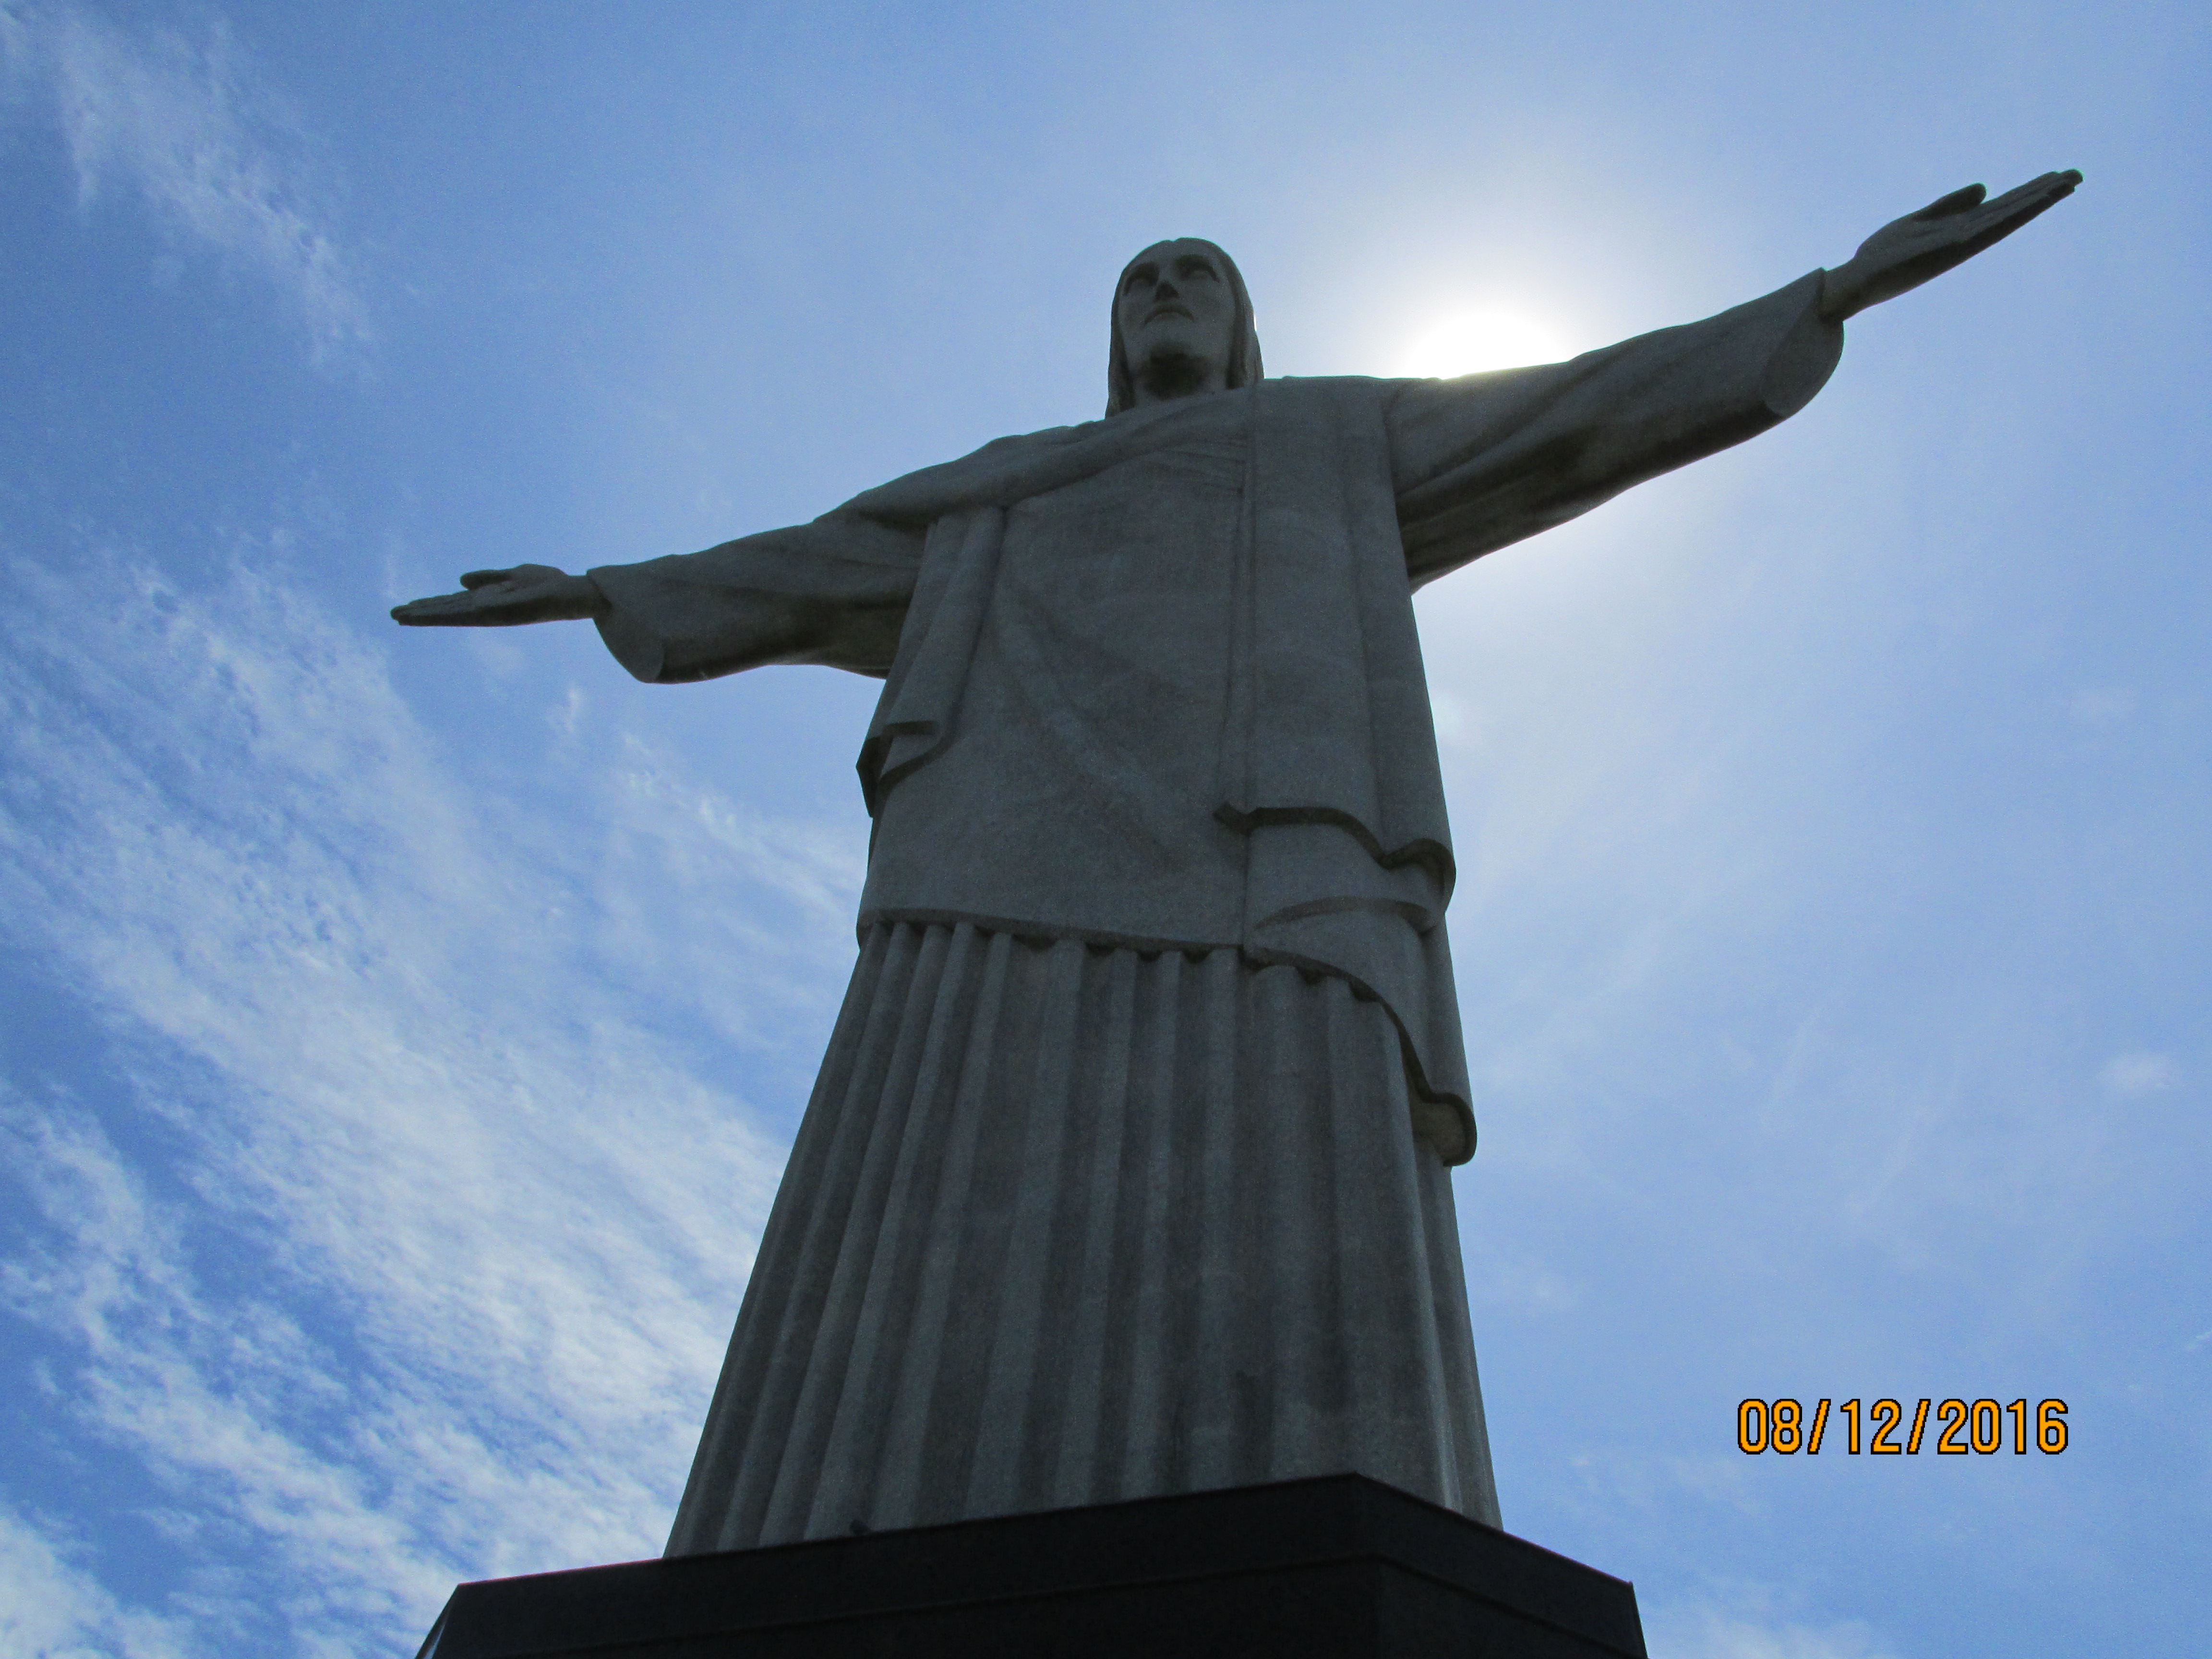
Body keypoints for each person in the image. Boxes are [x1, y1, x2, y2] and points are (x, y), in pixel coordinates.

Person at [395, 171, 2079, 1553]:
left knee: (1298, 1191)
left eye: (1198, 271)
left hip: (1276, 866)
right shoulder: (1000, 487)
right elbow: (809, 563)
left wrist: (1829, 297)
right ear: (1114, 337)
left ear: (1247, 328)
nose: (1168, 288)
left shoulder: (1333, 439)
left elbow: (1577, 413)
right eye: (1141, 276)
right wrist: (608, 584)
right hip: (985, 877)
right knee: (921, 1202)